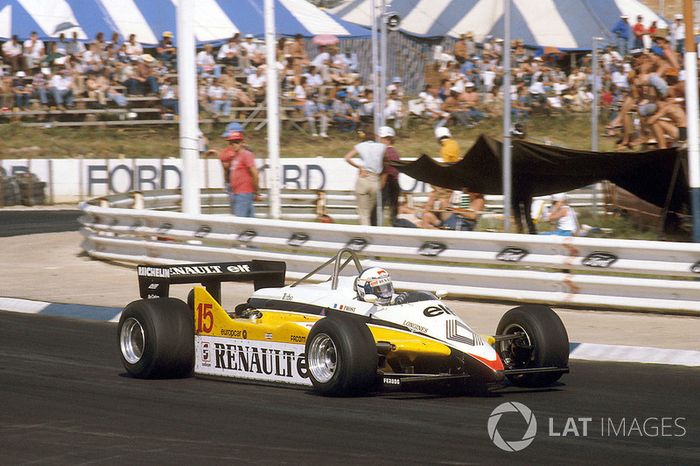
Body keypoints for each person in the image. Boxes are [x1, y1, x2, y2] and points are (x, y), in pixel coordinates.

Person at [344, 129, 385, 226]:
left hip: (364, 177)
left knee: (363, 213)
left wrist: (359, 167)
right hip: (375, 179)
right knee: (369, 211)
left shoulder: (360, 146)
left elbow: (347, 157)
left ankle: (365, 235)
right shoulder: (382, 147)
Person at [214, 131, 259, 217]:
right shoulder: (235, 157)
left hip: (243, 193)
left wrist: (256, 192)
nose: (233, 144)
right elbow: (225, 165)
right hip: (237, 193)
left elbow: (255, 173)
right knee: (249, 222)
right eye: (231, 142)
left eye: (236, 142)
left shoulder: (246, 155)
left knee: (239, 222)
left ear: (242, 143)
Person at [422, 126, 461, 218]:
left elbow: (447, 164)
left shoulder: (444, 149)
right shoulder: (454, 143)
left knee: (441, 197)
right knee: (440, 196)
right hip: (455, 175)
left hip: (448, 176)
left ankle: (436, 216)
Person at [372, 126, 401, 225]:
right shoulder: (395, 152)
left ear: (387, 139)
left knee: (377, 209)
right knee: (393, 210)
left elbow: (383, 170)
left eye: (381, 138)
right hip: (394, 182)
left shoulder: (385, 152)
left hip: (387, 182)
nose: (379, 140)